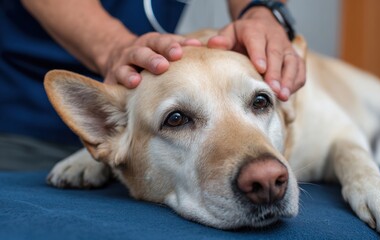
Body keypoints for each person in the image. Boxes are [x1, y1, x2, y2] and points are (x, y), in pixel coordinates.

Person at [0, 0, 305, 170]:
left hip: (149, 113)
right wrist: (112, 48)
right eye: (179, 119)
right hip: (25, 111)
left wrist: (259, 10)